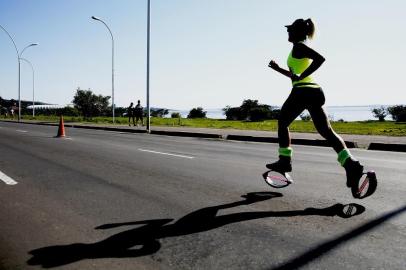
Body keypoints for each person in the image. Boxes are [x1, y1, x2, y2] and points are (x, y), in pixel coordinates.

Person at [267, 18, 366, 198]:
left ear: (297, 32)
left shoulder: (299, 46)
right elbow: (294, 76)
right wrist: (278, 69)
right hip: (314, 92)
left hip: (303, 91)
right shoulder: (297, 48)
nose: (287, 33)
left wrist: (302, 75)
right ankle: (351, 165)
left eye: (290, 30)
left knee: (282, 123)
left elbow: (320, 59)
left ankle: (284, 161)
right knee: (326, 132)